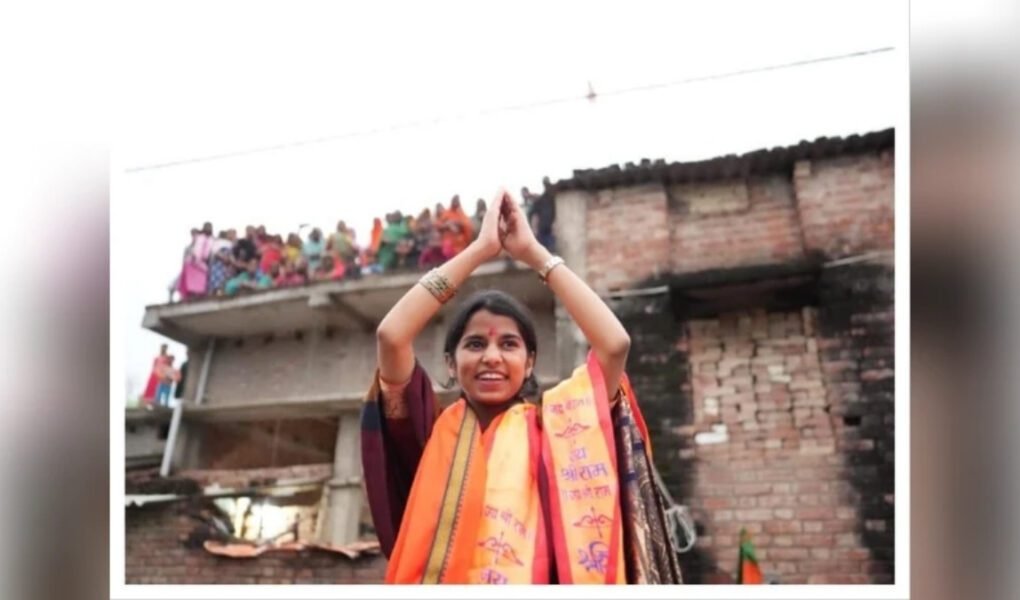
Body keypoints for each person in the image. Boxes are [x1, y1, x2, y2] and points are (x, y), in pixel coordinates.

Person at [362, 190, 681, 584]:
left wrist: (535, 255)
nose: (491, 357)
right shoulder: (425, 432)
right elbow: (392, 336)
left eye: (509, 345)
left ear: (529, 362)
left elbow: (615, 345)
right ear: (450, 362)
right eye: (475, 344)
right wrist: (479, 251)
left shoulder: (558, 431)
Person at [177, 222, 214, 300]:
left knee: (201, 283)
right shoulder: (199, 239)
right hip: (194, 264)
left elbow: (207, 254)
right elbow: (197, 252)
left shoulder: (211, 240)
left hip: (203, 264)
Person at [436, 195, 474, 260]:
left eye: (457, 201)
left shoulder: (461, 213)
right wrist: (447, 224)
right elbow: (438, 224)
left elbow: (468, 225)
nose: (455, 203)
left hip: (460, 241)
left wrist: (459, 223)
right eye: (454, 201)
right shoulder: (446, 213)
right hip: (449, 240)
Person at [528, 178, 556, 252]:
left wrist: (554, 225)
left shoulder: (551, 198)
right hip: (542, 229)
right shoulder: (540, 200)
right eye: (545, 184)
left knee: (551, 249)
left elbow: (554, 213)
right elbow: (535, 216)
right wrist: (535, 229)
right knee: (543, 249)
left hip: (549, 228)